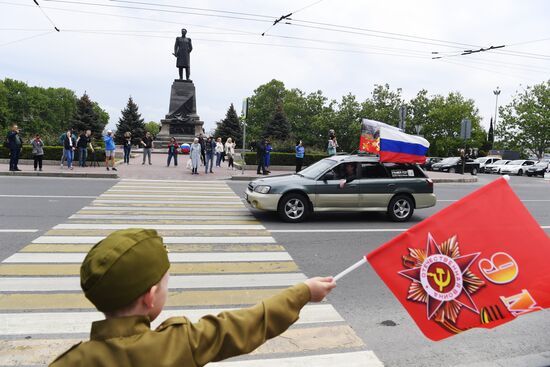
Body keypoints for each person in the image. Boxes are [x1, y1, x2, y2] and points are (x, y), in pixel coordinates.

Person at [49, 228, 336, 366]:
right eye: (164, 284)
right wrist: (303, 292)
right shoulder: (177, 343)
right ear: (150, 298)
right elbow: (246, 324)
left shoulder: (68, 362)